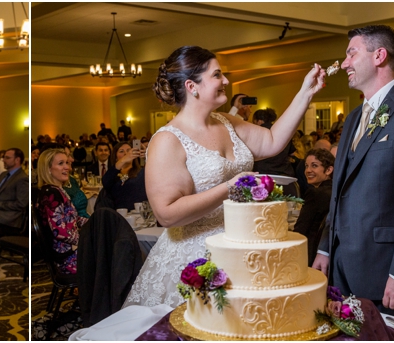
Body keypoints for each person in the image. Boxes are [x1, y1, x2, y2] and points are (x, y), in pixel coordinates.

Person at [122, 45, 325, 308]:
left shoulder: (227, 122)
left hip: (241, 246)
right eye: (217, 75)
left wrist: (305, 93)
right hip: (196, 256)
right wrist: (229, 189)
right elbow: (167, 214)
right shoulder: (167, 140)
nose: (226, 81)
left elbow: (273, 140)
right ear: (192, 86)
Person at [311, 25, 394, 318]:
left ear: (379, 56)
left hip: (383, 269)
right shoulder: (354, 117)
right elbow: (340, 191)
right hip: (341, 264)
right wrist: (325, 248)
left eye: (351, 53)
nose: (345, 63)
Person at [36, 148, 87, 275]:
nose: (67, 168)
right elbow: (59, 231)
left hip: (70, 252)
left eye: (67, 163)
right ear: (48, 169)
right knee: (112, 258)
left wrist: (95, 221)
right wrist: (86, 240)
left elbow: (72, 218)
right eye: (61, 164)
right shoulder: (51, 193)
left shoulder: (57, 190)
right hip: (66, 258)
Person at [0, 148, 29, 249]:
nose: (3, 160)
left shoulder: (22, 178)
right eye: (4, 157)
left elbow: (21, 204)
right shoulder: (4, 174)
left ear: (17, 160)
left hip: (10, 216)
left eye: (7, 158)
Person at [294, 148, 334, 264]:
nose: (308, 170)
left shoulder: (315, 194)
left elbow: (300, 230)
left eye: (314, 166)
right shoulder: (334, 191)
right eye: (306, 166)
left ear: (328, 170)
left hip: (310, 254)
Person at [101, 142, 147, 210]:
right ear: (115, 157)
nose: (126, 154)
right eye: (121, 151)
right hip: (117, 215)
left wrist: (148, 157)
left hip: (137, 213)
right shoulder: (113, 174)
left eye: (129, 151)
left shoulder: (141, 173)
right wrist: (123, 160)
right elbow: (105, 182)